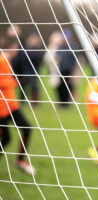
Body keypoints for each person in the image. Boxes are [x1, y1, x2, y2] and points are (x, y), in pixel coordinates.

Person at [0, 36, 36, 175]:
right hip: (1, 108)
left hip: (11, 105)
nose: (17, 49)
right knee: (6, 139)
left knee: (27, 128)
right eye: (16, 46)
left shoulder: (6, 60)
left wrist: (18, 80)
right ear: (12, 47)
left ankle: (20, 160)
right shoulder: (2, 60)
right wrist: (18, 81)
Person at [12, 30, 44, 106]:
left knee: (34, 86)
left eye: (35, 38)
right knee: (22, 86)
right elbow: (21, 56)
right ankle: (22, 101)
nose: (33, 39)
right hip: (24, 71)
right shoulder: (24, 47)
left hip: (34, 71)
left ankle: (35, 102)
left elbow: (37, 56)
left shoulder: (40, 48)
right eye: (32, 37)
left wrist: (27, 55)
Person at [56, 29, 79, 107]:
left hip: (70, 71)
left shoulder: (73, 47)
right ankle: (61, 102)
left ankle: (66, 103)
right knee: (60, 87)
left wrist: (75, 72)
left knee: (68, 87)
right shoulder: (60, 46)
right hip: (61, 70)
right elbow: (57, 55)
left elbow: (76, 60)